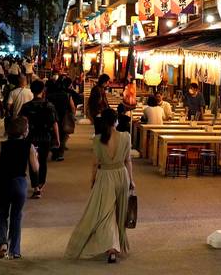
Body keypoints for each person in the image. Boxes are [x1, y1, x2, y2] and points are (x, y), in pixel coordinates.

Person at [65, 108, 134, 263]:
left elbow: (95, 164)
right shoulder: (126, 136)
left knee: (106, 213)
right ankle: (115, 246)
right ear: (116, 121)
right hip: (122, 175)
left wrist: (93, 180)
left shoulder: (98, 139)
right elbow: (128, 160)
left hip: (105, 176)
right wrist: (132, 179)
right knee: (119, 212)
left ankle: (111, 248)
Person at [0, 117, 39, 260]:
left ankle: (2, 243)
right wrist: (35, 156)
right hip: (19, 183)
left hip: (3, 183)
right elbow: (35, 168)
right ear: (24, 131)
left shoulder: (1, 145)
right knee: (16, 216)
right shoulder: (28, 146)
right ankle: (15, 251)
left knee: (1, 214)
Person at [19, 80, 60, 199]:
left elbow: (22, 123)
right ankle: (41, 185)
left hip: (30, 137)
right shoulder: (49, 106)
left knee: (32, 161)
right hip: (45, 137)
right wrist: (57, 139)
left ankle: (36, 187)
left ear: (31, 90)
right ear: (43, 90)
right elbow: (54, 123)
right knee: (42, 161)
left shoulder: (26, 106)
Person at [47, 78, 76, 162]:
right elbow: (72, 107)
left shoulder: (50, 95)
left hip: (53, 117)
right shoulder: (67, 95)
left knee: (54, 134)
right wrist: (72, 115)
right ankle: (60, 154)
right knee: (63, 136)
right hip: (64, 117)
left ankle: (54, 152)